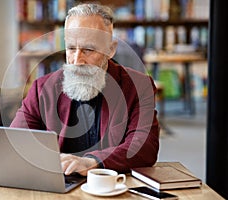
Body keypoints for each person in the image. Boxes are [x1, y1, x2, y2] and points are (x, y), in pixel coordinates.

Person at [10, 3, 159, 176]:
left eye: (88, 49)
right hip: (59, 185)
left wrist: (93, 162)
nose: (77, 60)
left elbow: (145, 147)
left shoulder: (139, 86)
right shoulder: (41, 89)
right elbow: (17, 141)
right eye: (71, 48)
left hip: (112, 186)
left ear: (110, 50)